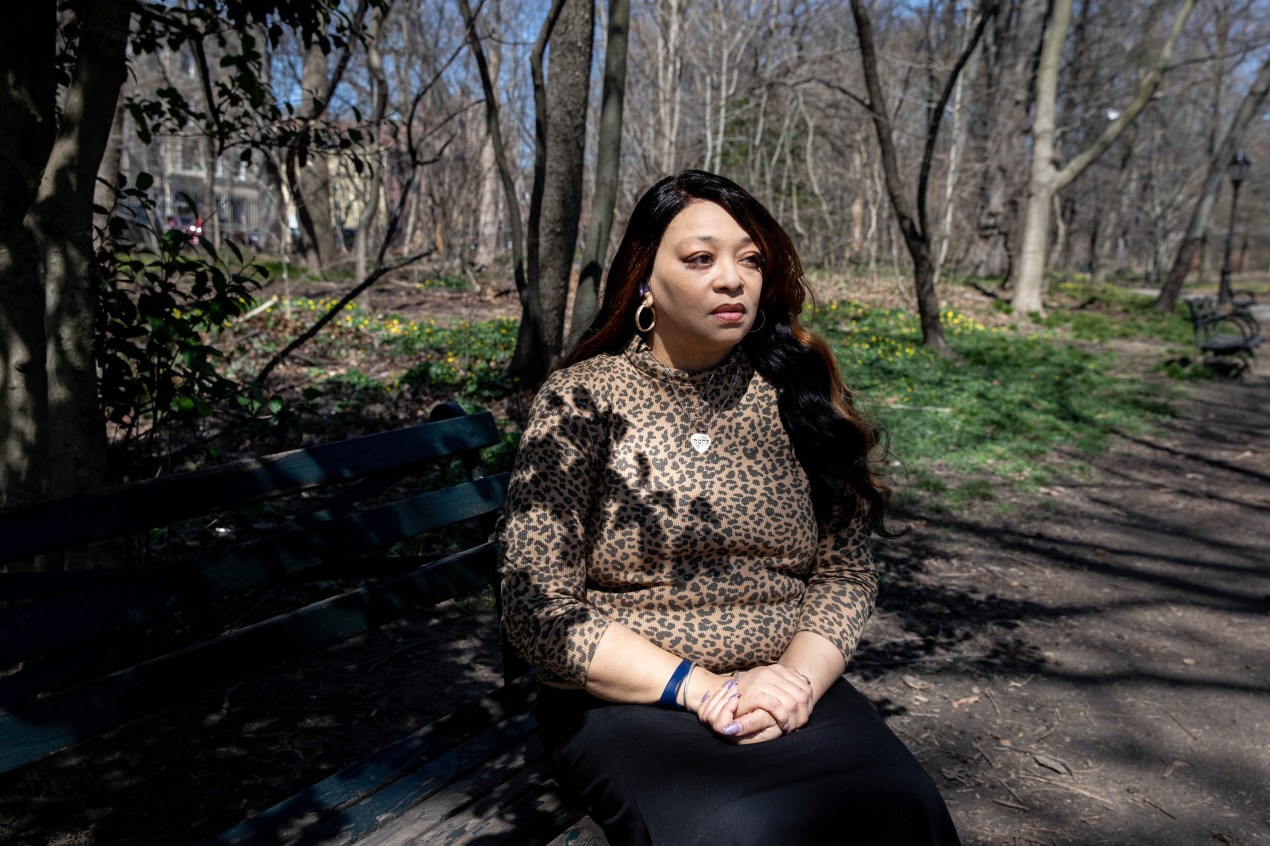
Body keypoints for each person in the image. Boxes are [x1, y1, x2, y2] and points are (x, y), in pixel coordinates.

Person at [498, 170, 960, 845]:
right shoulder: (582, 401)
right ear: (644, 280)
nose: (732, 278)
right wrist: (701, 688)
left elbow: (846, 573)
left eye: (749, 259)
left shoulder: (796, 393)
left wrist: (794, 683)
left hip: (784, 690)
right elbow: (535, 607)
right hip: (632, 700)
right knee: (742, 831)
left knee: (901, 803)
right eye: (700, 258)